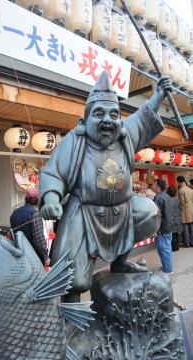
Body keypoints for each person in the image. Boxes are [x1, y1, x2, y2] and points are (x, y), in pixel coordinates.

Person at [39, 70, 172, 301]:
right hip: (84, 212)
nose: (107, 120)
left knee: (150, 213)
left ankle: (120, 263)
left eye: (113, 114)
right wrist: (51, 197)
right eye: (99, 114)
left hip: (123, 208)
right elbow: (54, 173)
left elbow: (142, 117)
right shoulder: (75, 140)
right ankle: (71, 315)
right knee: (74, 279)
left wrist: (158, 96)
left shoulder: (123, 135)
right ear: (85, 120)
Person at [10, 188, 50, 266]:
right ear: (38, 201)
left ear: (26, 199)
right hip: (32, 258)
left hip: (17, 255)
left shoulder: (15, 212)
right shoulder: (35, 214)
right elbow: (39, 240)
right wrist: (46, 257)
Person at [153, 179, 174, 274]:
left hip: (162, 228)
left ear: (158, 187)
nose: (152, 186)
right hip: (169, 226)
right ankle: (166, 266)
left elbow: (156, 215)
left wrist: (154, 230)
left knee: (163, 249)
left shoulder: (158, 198)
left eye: (154, 184)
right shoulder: (167, 196)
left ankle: (168, 270)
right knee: (167, 248)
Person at [177, 175, 193, 247]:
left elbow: (182, 202)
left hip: (184, 210)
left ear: (179, 182)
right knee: (191, 227)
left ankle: (187, 243)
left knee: (185, 227)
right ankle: (192, 242)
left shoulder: (181, 190)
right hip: (191, 209)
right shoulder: (190, 189)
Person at [166, 186, 183, 251]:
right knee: (176, 233)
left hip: (171, 218)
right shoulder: (177, 199)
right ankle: (177, 246)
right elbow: (181, 207)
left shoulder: (168, 200)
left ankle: (173, 247)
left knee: (172, 233)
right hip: (178, 217)